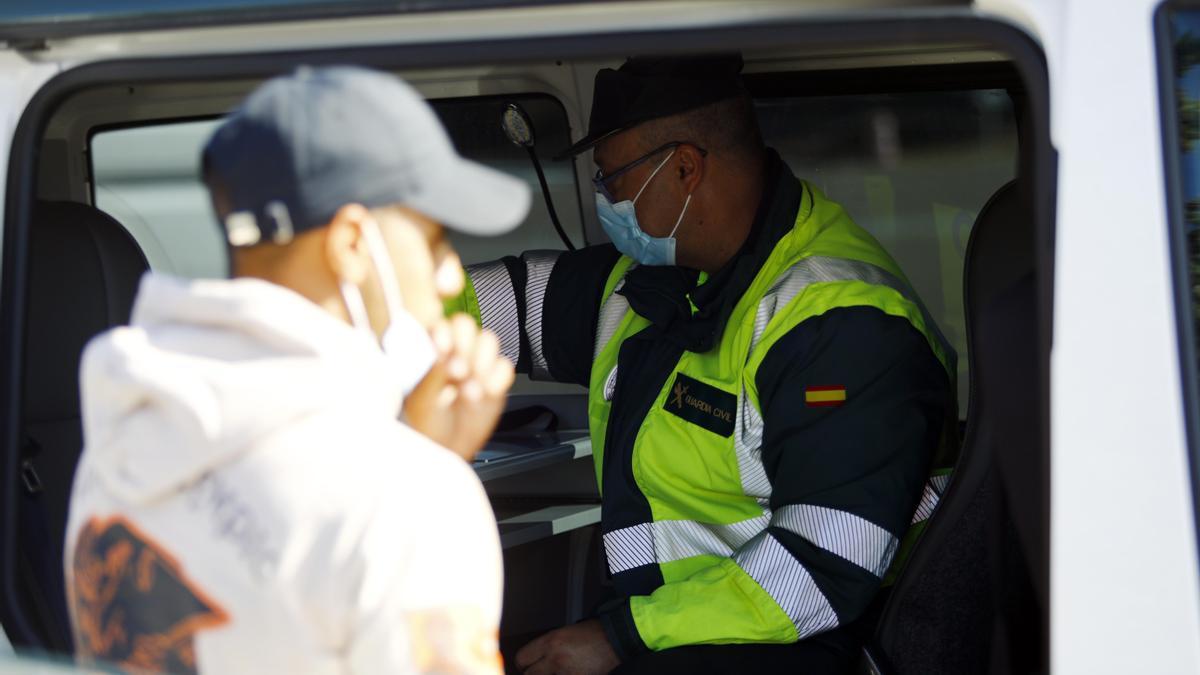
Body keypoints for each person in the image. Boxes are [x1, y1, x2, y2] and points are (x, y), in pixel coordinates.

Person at [451, 55, 958, 674]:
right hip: (676, 626)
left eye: (612, 181)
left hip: (804, 642)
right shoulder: (662, 281)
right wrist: (354, 314)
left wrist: (618, 637)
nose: (607, 202)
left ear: (684, 168)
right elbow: (508, 303)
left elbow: (825, 568)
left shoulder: (840, 321)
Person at [63, 66, 529, 674]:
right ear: (353, 245)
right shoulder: (409, 500)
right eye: (435, 242)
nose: (449, 276)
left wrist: (412, 448)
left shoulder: (123, 433)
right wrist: (429, 473)